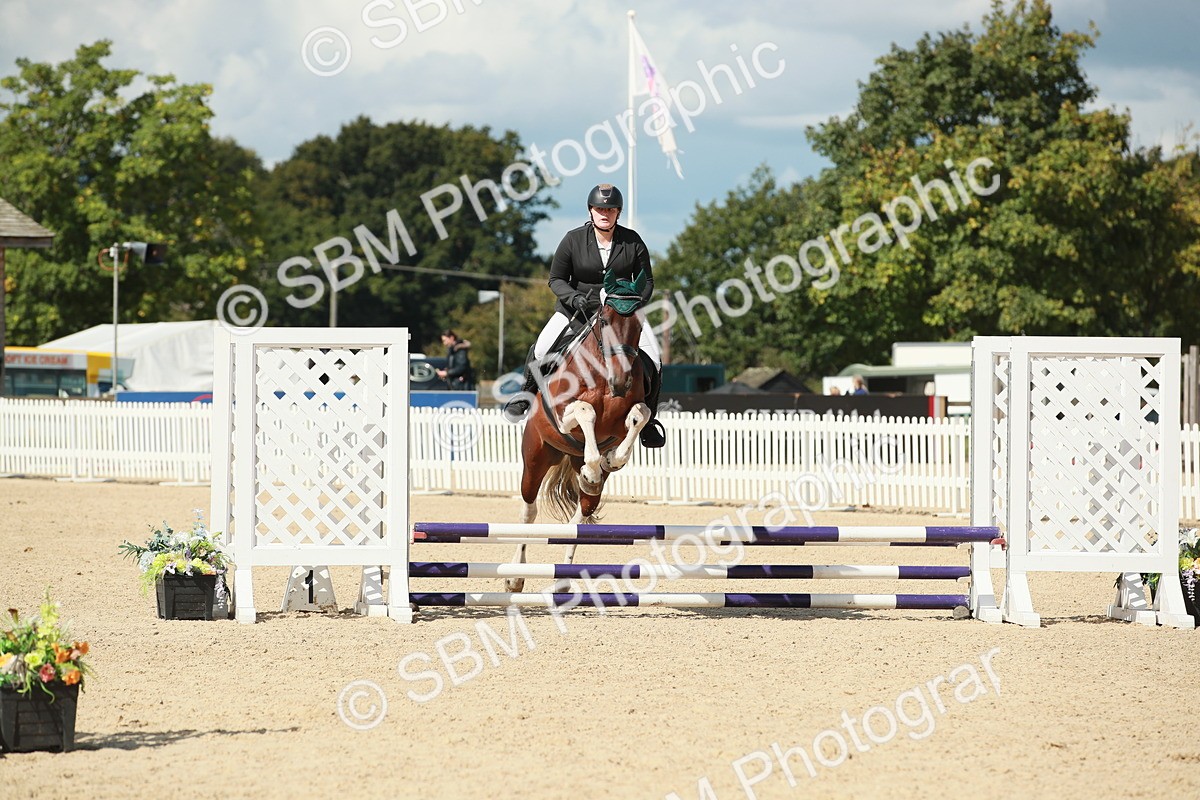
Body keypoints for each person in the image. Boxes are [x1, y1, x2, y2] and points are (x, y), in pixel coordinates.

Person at [502, 183, 666, 448]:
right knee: (543, 346)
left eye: (610, 209)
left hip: (621, 314)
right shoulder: (573, 239)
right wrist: (573, 297)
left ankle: (650, 422)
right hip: (576, 309)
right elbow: (555, 279)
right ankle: (526, 395)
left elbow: (647, 281)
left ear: (618, 213)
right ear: (591, 210)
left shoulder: (632, 241)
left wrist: (634, 303)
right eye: (600, 208)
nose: (605, 213)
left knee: (655, 359)